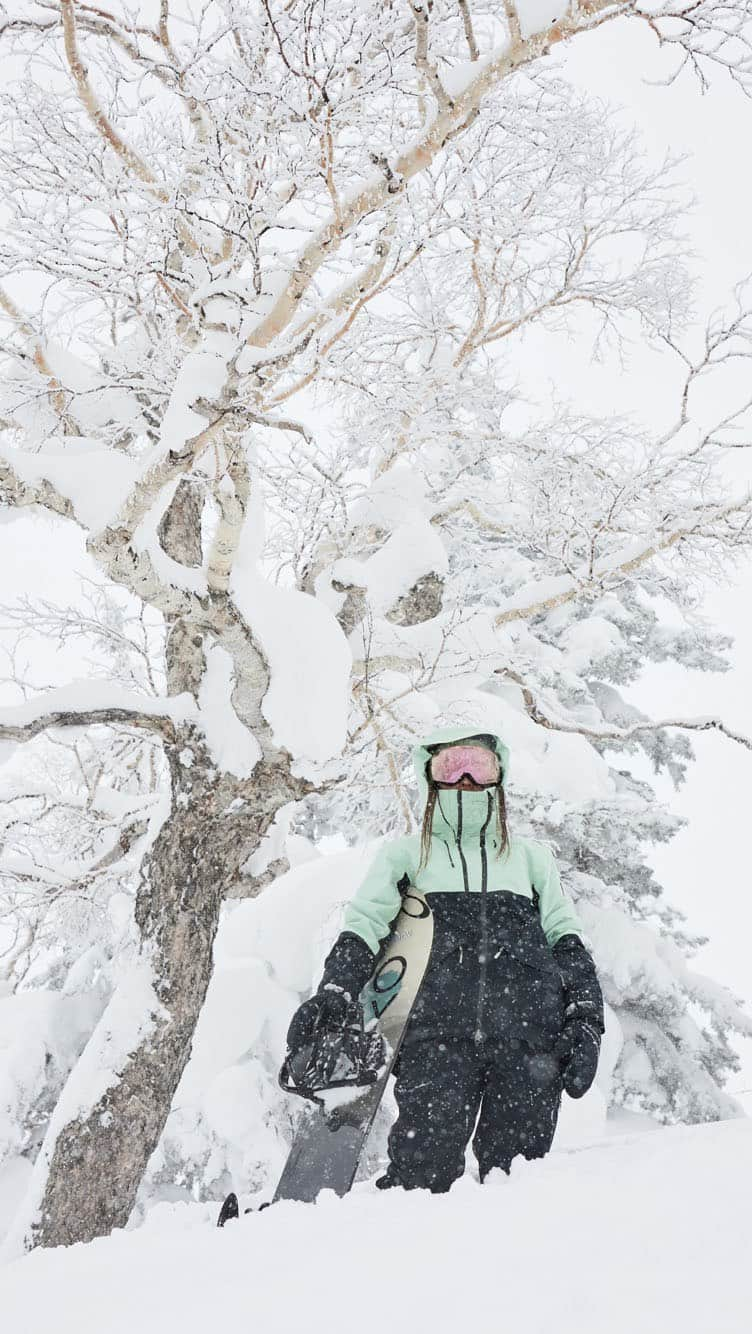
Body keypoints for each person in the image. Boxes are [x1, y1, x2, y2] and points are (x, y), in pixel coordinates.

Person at [284, 724, 604, 1193]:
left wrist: (586, 1017)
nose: (467, 779)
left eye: (480, 766)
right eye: (453, 766)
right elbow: (365, 926)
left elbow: (566, 939)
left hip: (529, 1042)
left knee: (520, 1180)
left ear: (500, 774)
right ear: (429, 775)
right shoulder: (406, 856)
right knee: (421, 1175)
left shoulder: (531, 859)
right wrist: (336, 991)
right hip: (436, 1037)